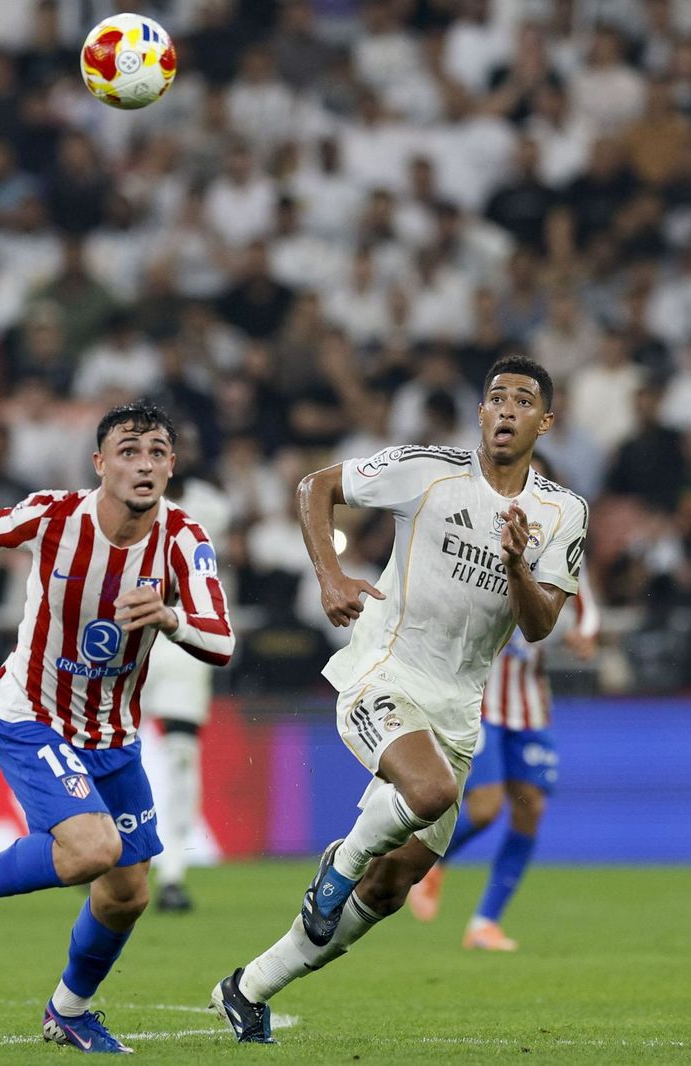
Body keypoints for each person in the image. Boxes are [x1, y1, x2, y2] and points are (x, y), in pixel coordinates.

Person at [213, 356, 588, 1043]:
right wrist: (330, 575)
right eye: (495, 397)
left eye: (523, 400)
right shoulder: (427, 469)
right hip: (383, 672)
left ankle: (250, 985)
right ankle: (340, 862)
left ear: (545, 420)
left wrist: (512, 564)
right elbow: (315, 486)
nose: (506, 408)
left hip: (459, 707)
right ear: (481, 414)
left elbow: (540, 626)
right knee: (431, 792)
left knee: (391, 890)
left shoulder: (561, 513)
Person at [0, 400, 233, 1054]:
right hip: (32, 715)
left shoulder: (184, 540)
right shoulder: (55, 515)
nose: (144, 463)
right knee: (93, 851)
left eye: (156, 451)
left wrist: (170, 619)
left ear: (172, 466)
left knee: (126, 891)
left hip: (113, 737)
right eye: (128, 450)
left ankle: (69, 1009)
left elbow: (221, 639)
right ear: (100, 464)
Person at [405, 458, 601, 949]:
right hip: (485, 698)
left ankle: (485, 922)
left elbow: (587, 610)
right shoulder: (479, 538)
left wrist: (583, 634)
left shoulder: (561, 547)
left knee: (530, 807)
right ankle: (430, 864)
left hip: (531, 706)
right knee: (488, 806)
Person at [141, 470, 233, 913]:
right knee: (102, 744)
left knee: (180, 755)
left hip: (181, 635)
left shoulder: (210, 506)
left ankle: (173, 872)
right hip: (124, 633)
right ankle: (101, 853)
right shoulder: (114, 499)